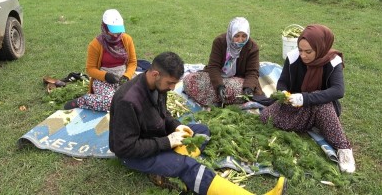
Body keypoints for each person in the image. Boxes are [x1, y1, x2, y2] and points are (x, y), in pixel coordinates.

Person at [109, 52, 286, 195]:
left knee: (201, 131)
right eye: (170, 83)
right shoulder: (128, 101)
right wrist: (167, 142)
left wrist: (176, 126)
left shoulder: (157, 85)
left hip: (155, 136)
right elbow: (123, 148)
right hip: (135, 154)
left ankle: (167, 166)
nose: (172, 88)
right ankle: (180, 165)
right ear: (155, 74)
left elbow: (163, 115)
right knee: (189, 167)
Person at [260, 24, 356, 173]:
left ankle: (343, 149)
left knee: (323, 107)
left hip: (320, 105)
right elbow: (283, 81)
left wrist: (306, 98)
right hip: (295, 103)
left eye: (308, 51)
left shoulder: (333, 61)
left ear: (321, 48)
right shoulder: (293, 57)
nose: (303, 55)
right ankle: (311, 124)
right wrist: (284, 93)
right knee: (266, 116)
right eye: (300, 50)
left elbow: (338, 90)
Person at [64, 9, 137, 111]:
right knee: (110, 102)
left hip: (123, 75)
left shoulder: (127, 39)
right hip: (103, 78)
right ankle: (82, 101)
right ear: (105, 28)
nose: (117, 35)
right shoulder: (95, 45)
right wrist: (106, 76)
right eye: (113, 31)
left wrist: (127, 76)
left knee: (135, 99)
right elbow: (90, 69)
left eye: (118, 30)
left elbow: (132, 62)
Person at [183, 17, 264, 106]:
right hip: (219, 77)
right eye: (236, 36)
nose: (240, 40)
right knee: (189, 80)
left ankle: (222, 100)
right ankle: (224, 99)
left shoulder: (252, 47)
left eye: (244, 36)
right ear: (231, 34)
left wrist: (248, 88)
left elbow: (252, 72)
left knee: (240, 90)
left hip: (239, 80)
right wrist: (219, 86)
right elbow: (213, 67)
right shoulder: (219, 42)